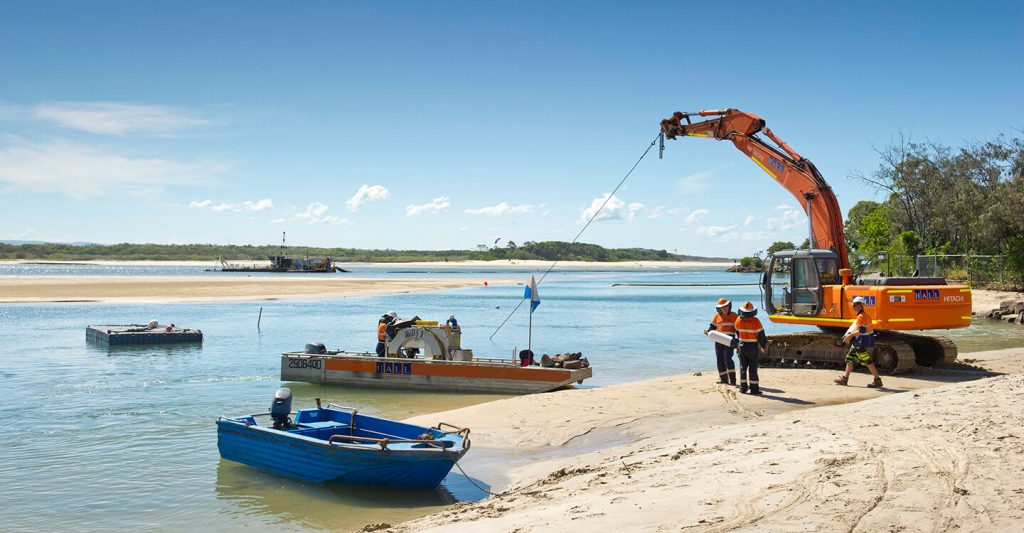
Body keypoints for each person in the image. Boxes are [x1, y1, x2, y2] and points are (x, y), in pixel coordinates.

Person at [834, 296, 883, 388]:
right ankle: (845, 379)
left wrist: (849, 336)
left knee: (868, 361)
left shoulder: (861, 317)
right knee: (849, 359)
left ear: (860, 305)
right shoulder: (866, 315)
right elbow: (861, 329)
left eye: (855, 305)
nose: (853, 307)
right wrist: (849, 334)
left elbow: (862, 331)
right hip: (858, 342)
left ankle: (877, 380)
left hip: (860, 343)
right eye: (853, 305)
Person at [734, 301, 768, 395]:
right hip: (752, 346)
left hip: (742, 345)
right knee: (753, 368)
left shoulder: (738, 320)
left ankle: (743, 388)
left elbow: (737, 332)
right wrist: (763, 345)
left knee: (743, 368)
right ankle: (754, 389)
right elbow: (761, 335)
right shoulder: (756, 321)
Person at [704, 298, 737, 385]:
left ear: (729, 306)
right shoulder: (716, 316)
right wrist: (708, 332)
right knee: (720, 359)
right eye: (723, 307)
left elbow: (738, 329)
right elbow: (712, 327)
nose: (725, 308)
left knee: (728, 358)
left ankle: (733, 379)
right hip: (718, 340)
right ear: (720, 308)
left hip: (729, 340)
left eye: (726, 306)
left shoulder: (734, 315)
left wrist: (739, 341)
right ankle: (723, 379)